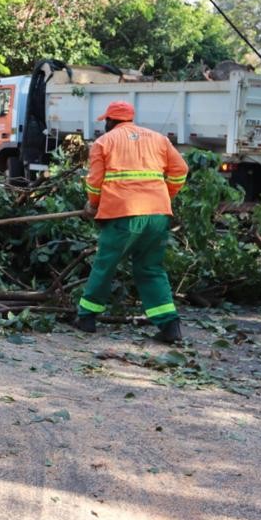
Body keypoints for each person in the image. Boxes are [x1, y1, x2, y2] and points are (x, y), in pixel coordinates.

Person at [76, 101, 189, 344]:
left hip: (123, 213)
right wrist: (166, 194)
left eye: (105, 121)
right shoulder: (159, 139)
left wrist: (93, 204)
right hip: (158, 215)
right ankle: (170, 326)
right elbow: (181, 170)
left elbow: (95, 183)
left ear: (110, 121)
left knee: (105, 264)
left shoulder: (104, 142)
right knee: (151, 268)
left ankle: (86, 318)